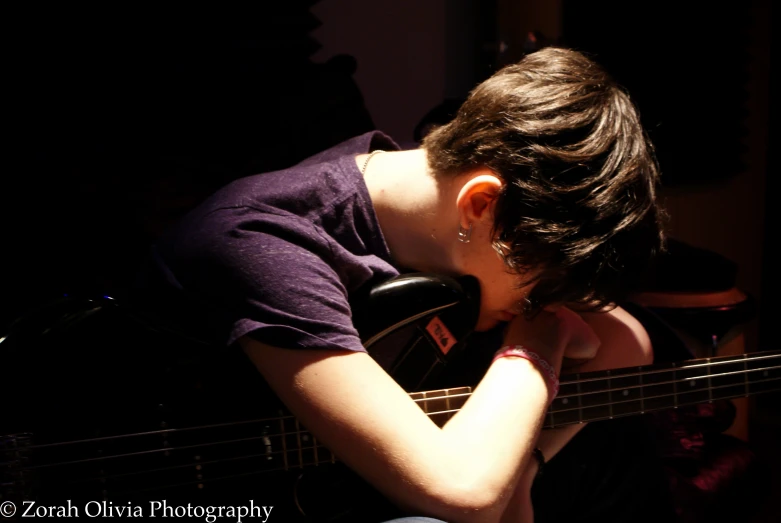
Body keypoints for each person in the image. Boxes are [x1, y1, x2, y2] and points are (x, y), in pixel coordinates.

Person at [136, 47, 671, 522]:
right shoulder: (262, 243)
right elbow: (464, 492)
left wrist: (522, 469)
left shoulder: (417, 207)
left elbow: (625, 342)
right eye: (535, 289)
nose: (539, 305)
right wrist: (536, 344)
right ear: (481, 203)